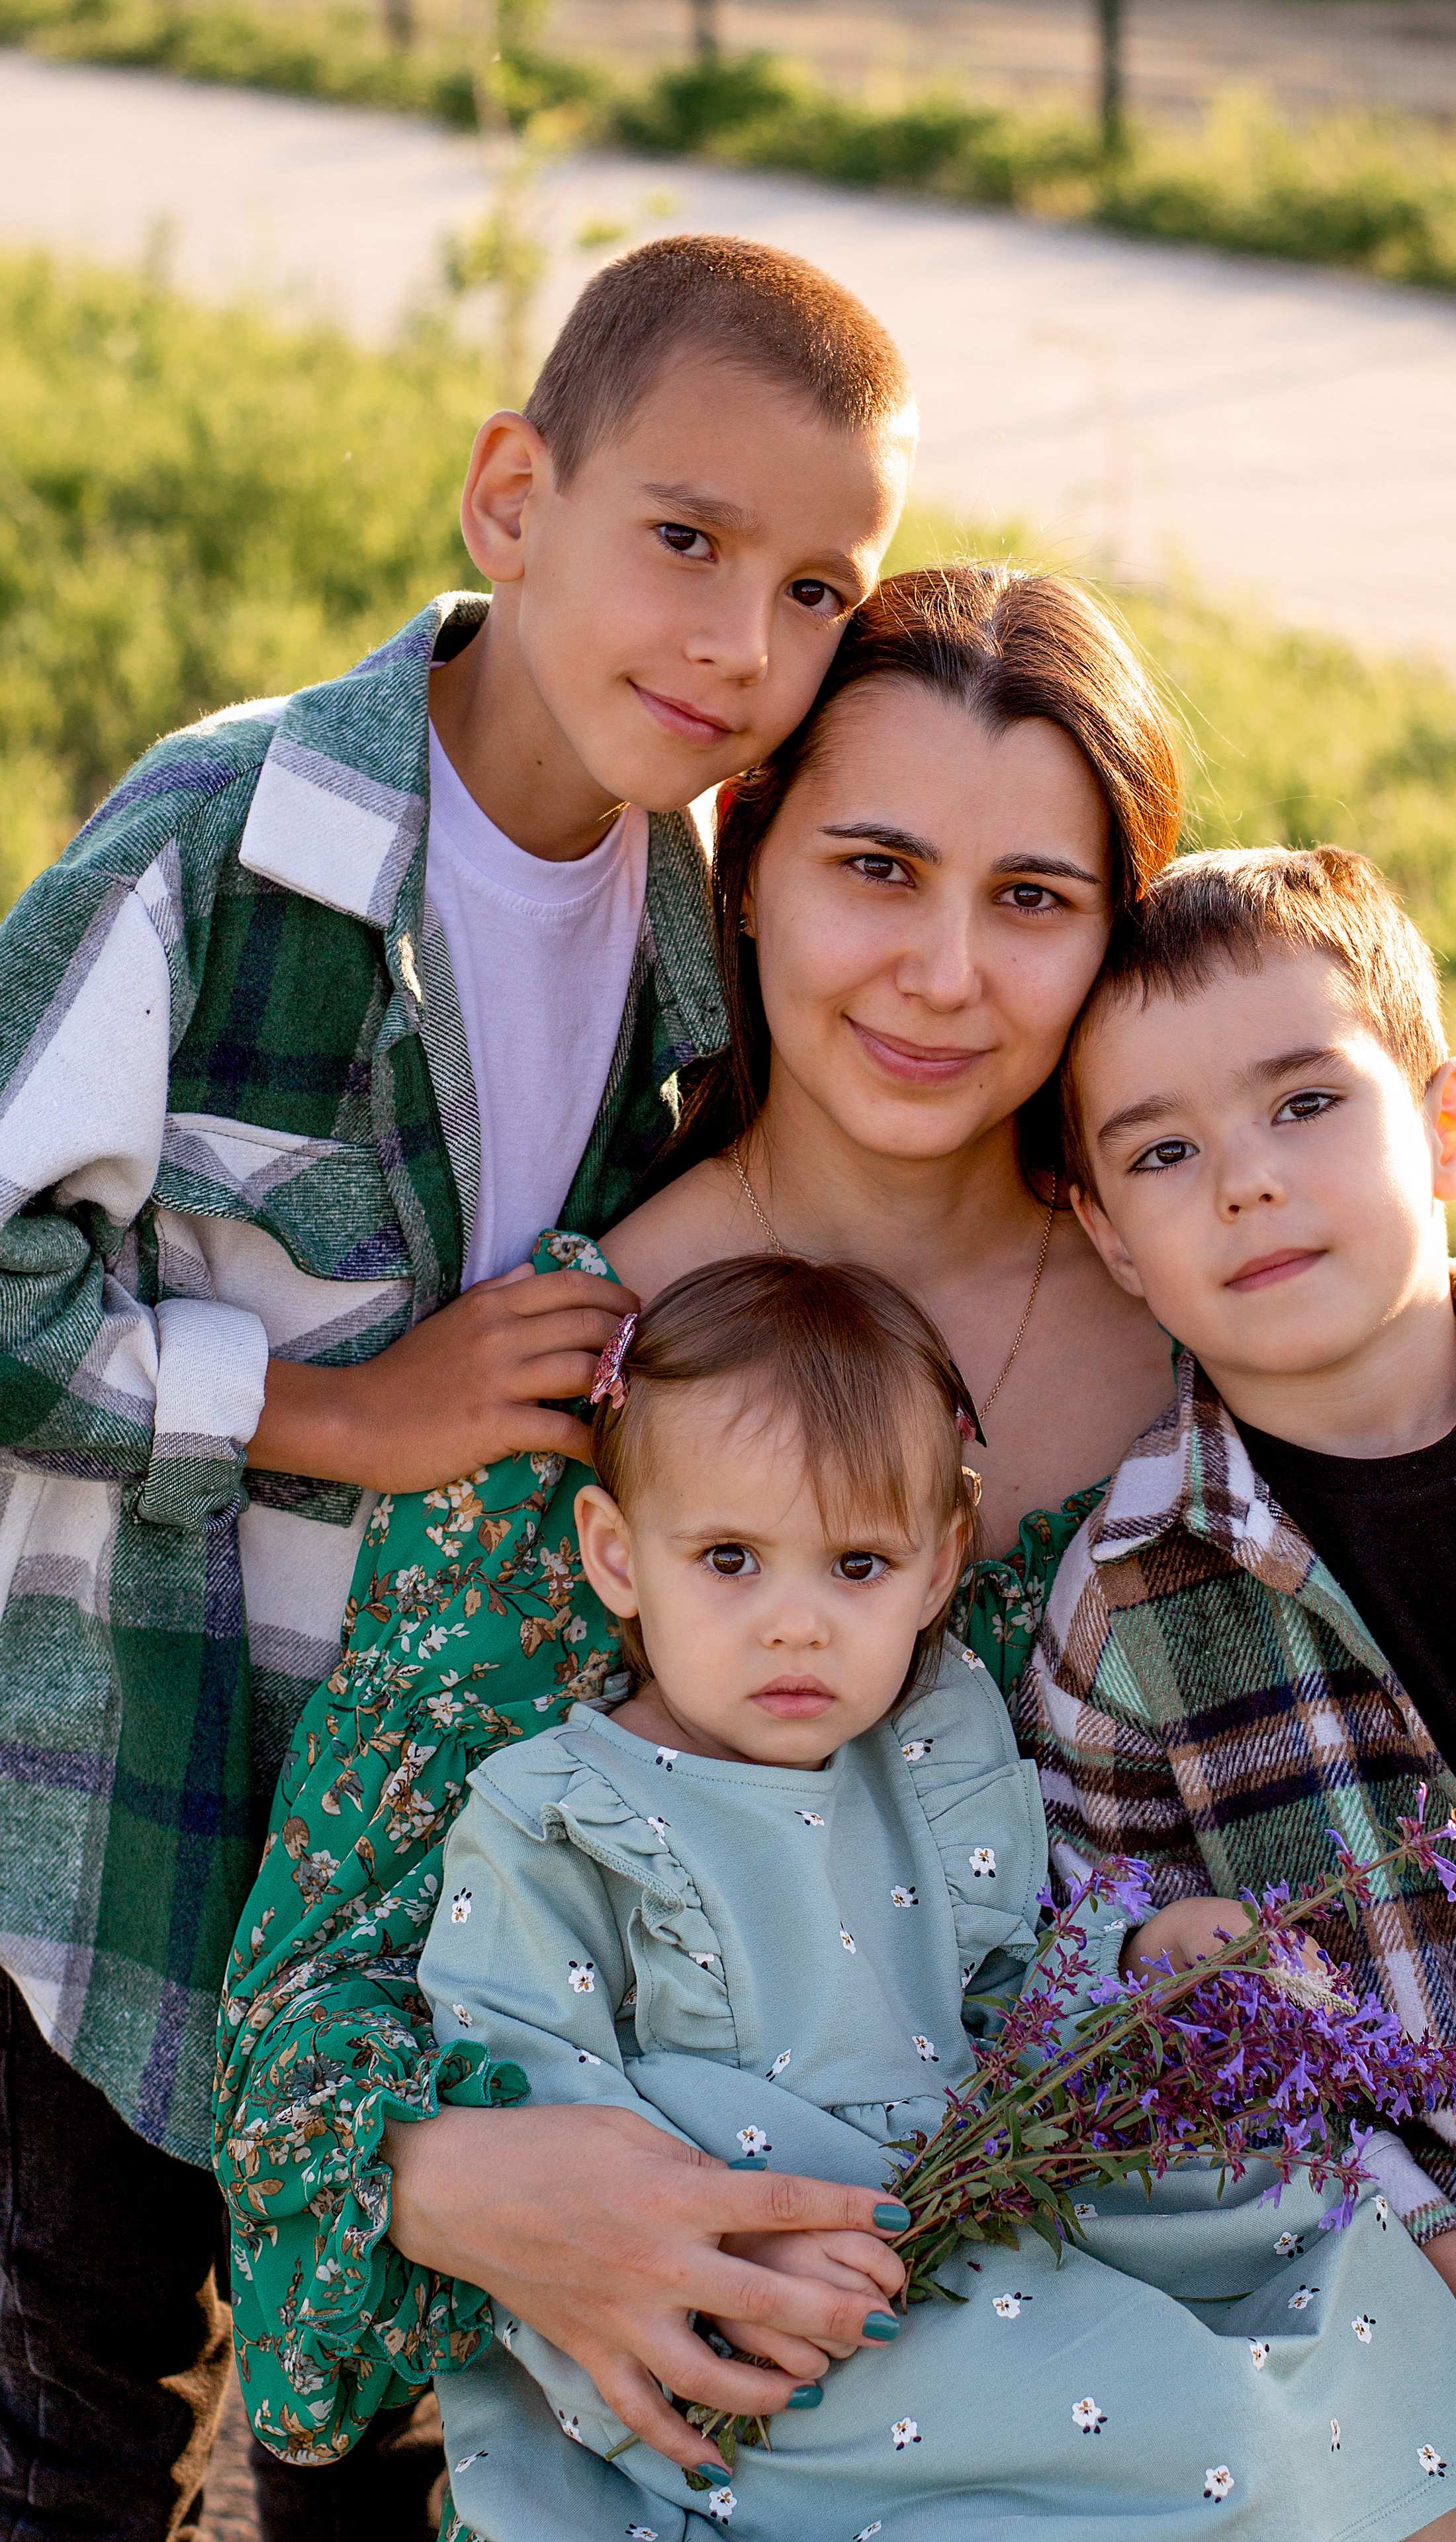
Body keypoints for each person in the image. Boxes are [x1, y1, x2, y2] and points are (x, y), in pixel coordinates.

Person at [0, 231, 915, 2539]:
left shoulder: (710, 929)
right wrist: (334, 1413)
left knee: (385, 2412)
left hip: (443, 1830)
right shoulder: (233, 845)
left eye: (817, 591)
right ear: (513, 497)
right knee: (96, 2390)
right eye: (685, 541)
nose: (738, 642)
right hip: (147, 1779)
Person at [214, 561, 1189, 2473]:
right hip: (715, 2415)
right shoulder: (584, 1386)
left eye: (1034, 903)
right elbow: (301, 2023)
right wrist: (471, 2185)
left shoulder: (1214, 1339)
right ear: (746, 874)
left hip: (1149, 2354)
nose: (943, 974)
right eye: (878, 869)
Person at [416, 1249, 1456, 2542]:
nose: (793, 1624)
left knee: (1334, 2286)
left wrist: (1144, 1968)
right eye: (728, 1558)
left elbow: (1011, 1990)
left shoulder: (929, 1752)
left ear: (939, 1566)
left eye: (854, 1566)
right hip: (771, 2325)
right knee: (1203, 2435)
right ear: (615, 1556)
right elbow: (527, 2101)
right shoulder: (561, 1810)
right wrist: (712, 2266)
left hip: (988, 2213)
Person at [1024, 841, 1456, 2542]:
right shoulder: (1122, 1626)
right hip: (1430, 2430)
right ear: (1106, 1238)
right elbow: (1161, 2039)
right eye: (1162, 1151)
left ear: (1446, 1127)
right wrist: (1429, 2270)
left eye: (1302, 1105)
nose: (1242, 1182)